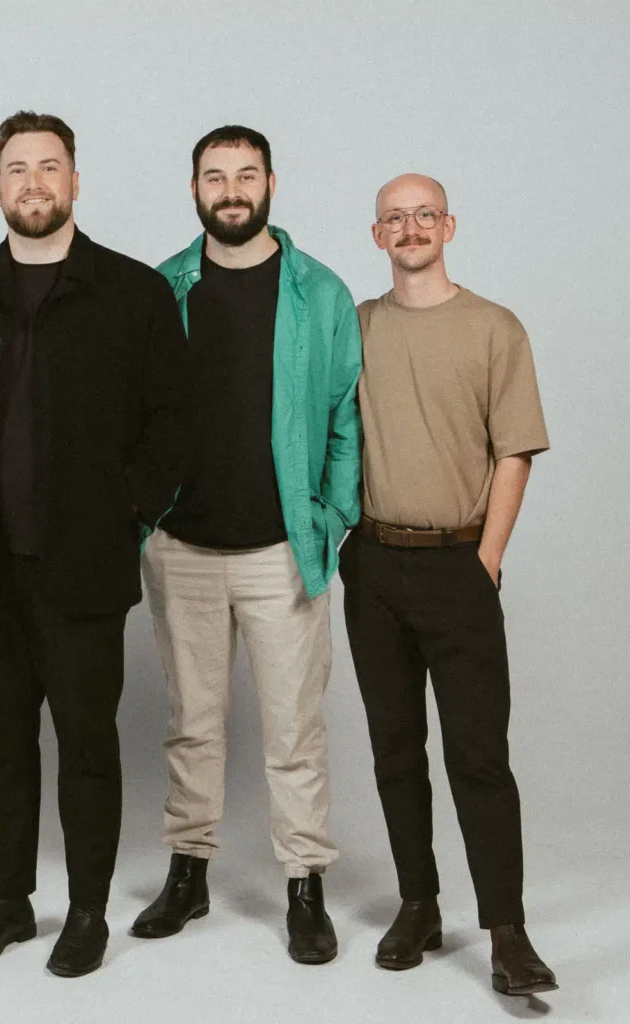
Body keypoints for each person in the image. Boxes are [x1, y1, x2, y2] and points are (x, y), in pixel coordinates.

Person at [0, 111, 189, 978]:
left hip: (85, 567)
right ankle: (6, 903)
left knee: (88, 746)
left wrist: (126, 512)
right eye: (17, 168)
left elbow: (175, 422)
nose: (33, 182)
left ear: (75, 182)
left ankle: (88, 911)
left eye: (49, 167)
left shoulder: (134, 294)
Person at [131, 126, 362, 965]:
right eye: (215, 177)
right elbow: (129, 413)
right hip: (182, 546)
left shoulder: (320, 291)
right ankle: (188, 874)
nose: (231, 190)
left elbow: (345, 414)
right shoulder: (161, 288)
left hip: (281, 550)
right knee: (191, 724)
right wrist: (143, 517)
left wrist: (331, 515)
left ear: (271, 183)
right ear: (194, 187)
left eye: (246, 175)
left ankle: (305, 886)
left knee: (294, 731)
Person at [339, 172, 558, 995]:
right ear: (377, 235)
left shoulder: (494, 327)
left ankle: (507, 931)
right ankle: (419, 904)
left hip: (459, 563)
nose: (410, 228)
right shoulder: (358, 326)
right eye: (394, 218)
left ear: (449, 225)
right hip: (374, 563)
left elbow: (514, 450)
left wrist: (487, 560)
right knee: (395, 749)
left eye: (423, 214)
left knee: (478, 755)